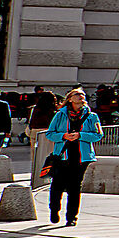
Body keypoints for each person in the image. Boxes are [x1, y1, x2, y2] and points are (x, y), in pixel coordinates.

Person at [45, 87, 102, 227]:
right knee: (57, 185)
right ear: (70, 98)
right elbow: (50, 133)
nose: (81, 97)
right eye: (77, 94)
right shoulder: (60, 115)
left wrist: (80, 135)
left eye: (83, 95)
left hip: (81, 157)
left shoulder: (92, 116)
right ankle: (54, 210)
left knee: (75, 187)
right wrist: (63, 136)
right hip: (62, 156)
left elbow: (98, 135)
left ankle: (72, 217)